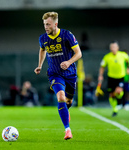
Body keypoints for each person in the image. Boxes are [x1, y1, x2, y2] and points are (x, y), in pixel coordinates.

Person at [34, 12, 82, 140]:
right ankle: (67, 130)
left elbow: (78, 53)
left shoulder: (67, 35)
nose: (46, 27)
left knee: (68, 101)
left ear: (55, 24)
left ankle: (66, 110)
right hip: (54, 73)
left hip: (70, 73)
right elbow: (42, 50)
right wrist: (39, 65)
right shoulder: (43, 38)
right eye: (44, 24)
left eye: (48, 24)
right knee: (61, 96)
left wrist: (68, 62)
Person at [96, 41, 129, 117]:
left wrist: (128, 68)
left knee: (118, 91)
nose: (113, 49)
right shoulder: (107, 57)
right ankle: (115, 109)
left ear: (118, 48)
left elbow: (127, 61)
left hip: (120, 77)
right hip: (111, 77)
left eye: (114, 47)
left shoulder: (123, 55)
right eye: (111, 47)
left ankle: (119, 101)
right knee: (111, 95)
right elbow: (102, 67)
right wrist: (100, 75)